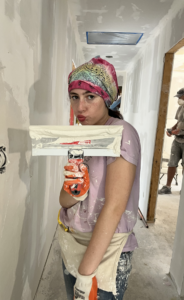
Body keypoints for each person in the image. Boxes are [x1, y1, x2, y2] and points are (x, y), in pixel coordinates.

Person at [58, 57, 141, 300]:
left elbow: (115, 207)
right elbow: (64, 201)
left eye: (89, 96)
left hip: (104, 250)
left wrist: (86, 273)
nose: (80, 107)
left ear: (106, 98)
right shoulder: (83, 136)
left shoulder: (121, 133)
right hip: (72, 240)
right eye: (74, 96)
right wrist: (76, 190)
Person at [158, 88, 184, 195]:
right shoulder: (181, 108)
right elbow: (178, 121)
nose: (178, 99)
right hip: (177, 140)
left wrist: (177, 131)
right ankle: (167, 187)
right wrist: (171, 129)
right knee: (172, 163)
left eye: (180, 97)